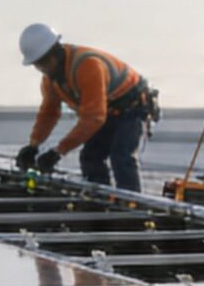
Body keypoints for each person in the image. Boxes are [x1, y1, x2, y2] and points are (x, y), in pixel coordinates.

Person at [15, 23, 156, 191]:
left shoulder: (88, 66)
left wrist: (58, 152)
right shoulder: (51, 80)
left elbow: (94, 118)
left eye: (42, 63)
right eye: (37, 65)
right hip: (107, 112)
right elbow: (49, 113)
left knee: (121, 157)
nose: (41, 69)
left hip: (131, 108)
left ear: (54, 53)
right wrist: (33, 145)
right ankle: (99, 202)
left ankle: (132, 206)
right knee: (90, 157)